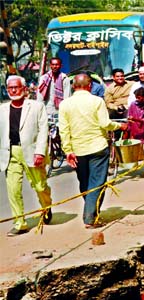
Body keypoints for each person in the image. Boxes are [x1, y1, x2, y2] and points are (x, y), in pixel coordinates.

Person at [59, 74, 127, 228]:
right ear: (90, 86)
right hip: (98, 147)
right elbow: (105, 123)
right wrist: (119, 126)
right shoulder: (97, 101)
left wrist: (68, 151)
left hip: (77, 150)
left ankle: (92, 212)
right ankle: (90, 217)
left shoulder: (65, 104)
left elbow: (63, 130)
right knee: (96, 183)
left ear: (73, 86)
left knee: (85, 183)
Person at [1, 76, 53, 236]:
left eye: (16, 87)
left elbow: (44, 130)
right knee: (13, 190)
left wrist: (40, 152)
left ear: (24, 89)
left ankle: (46, 206)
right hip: (10, 153)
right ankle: (20, 223)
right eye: (10, 88)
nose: (13, 90)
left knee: (40, 186)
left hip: (31, 152)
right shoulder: (2, 109)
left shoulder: (36, 107)